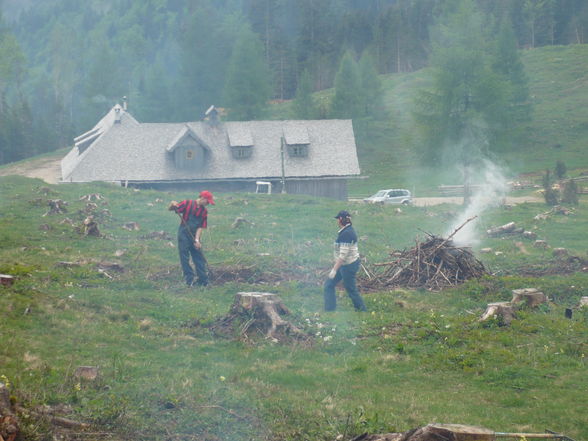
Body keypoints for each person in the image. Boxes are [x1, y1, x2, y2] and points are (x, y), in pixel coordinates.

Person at [168, 190, 215, 286]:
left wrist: (197, 240)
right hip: (183, 234)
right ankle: (189, 280)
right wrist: (172, 204)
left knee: (198, 257)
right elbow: (173, 209)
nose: (208, 204)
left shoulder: (204, 211)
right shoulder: (187, 203)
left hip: (194, 235)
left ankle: (203, 280)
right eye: (207, 202)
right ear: (202, 198)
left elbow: (200, 227)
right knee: (184, 257)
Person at [324, 210, 367, 311]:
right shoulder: (347, 231)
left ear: (340, 219)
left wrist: (334, 270)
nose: (337, 222)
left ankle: (362, 309)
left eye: (337, 219)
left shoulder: (346, 234)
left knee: (350, 289)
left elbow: (343, 256)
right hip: (344, 265)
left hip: (349, 266)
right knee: (329, 285)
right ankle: (330, 310)